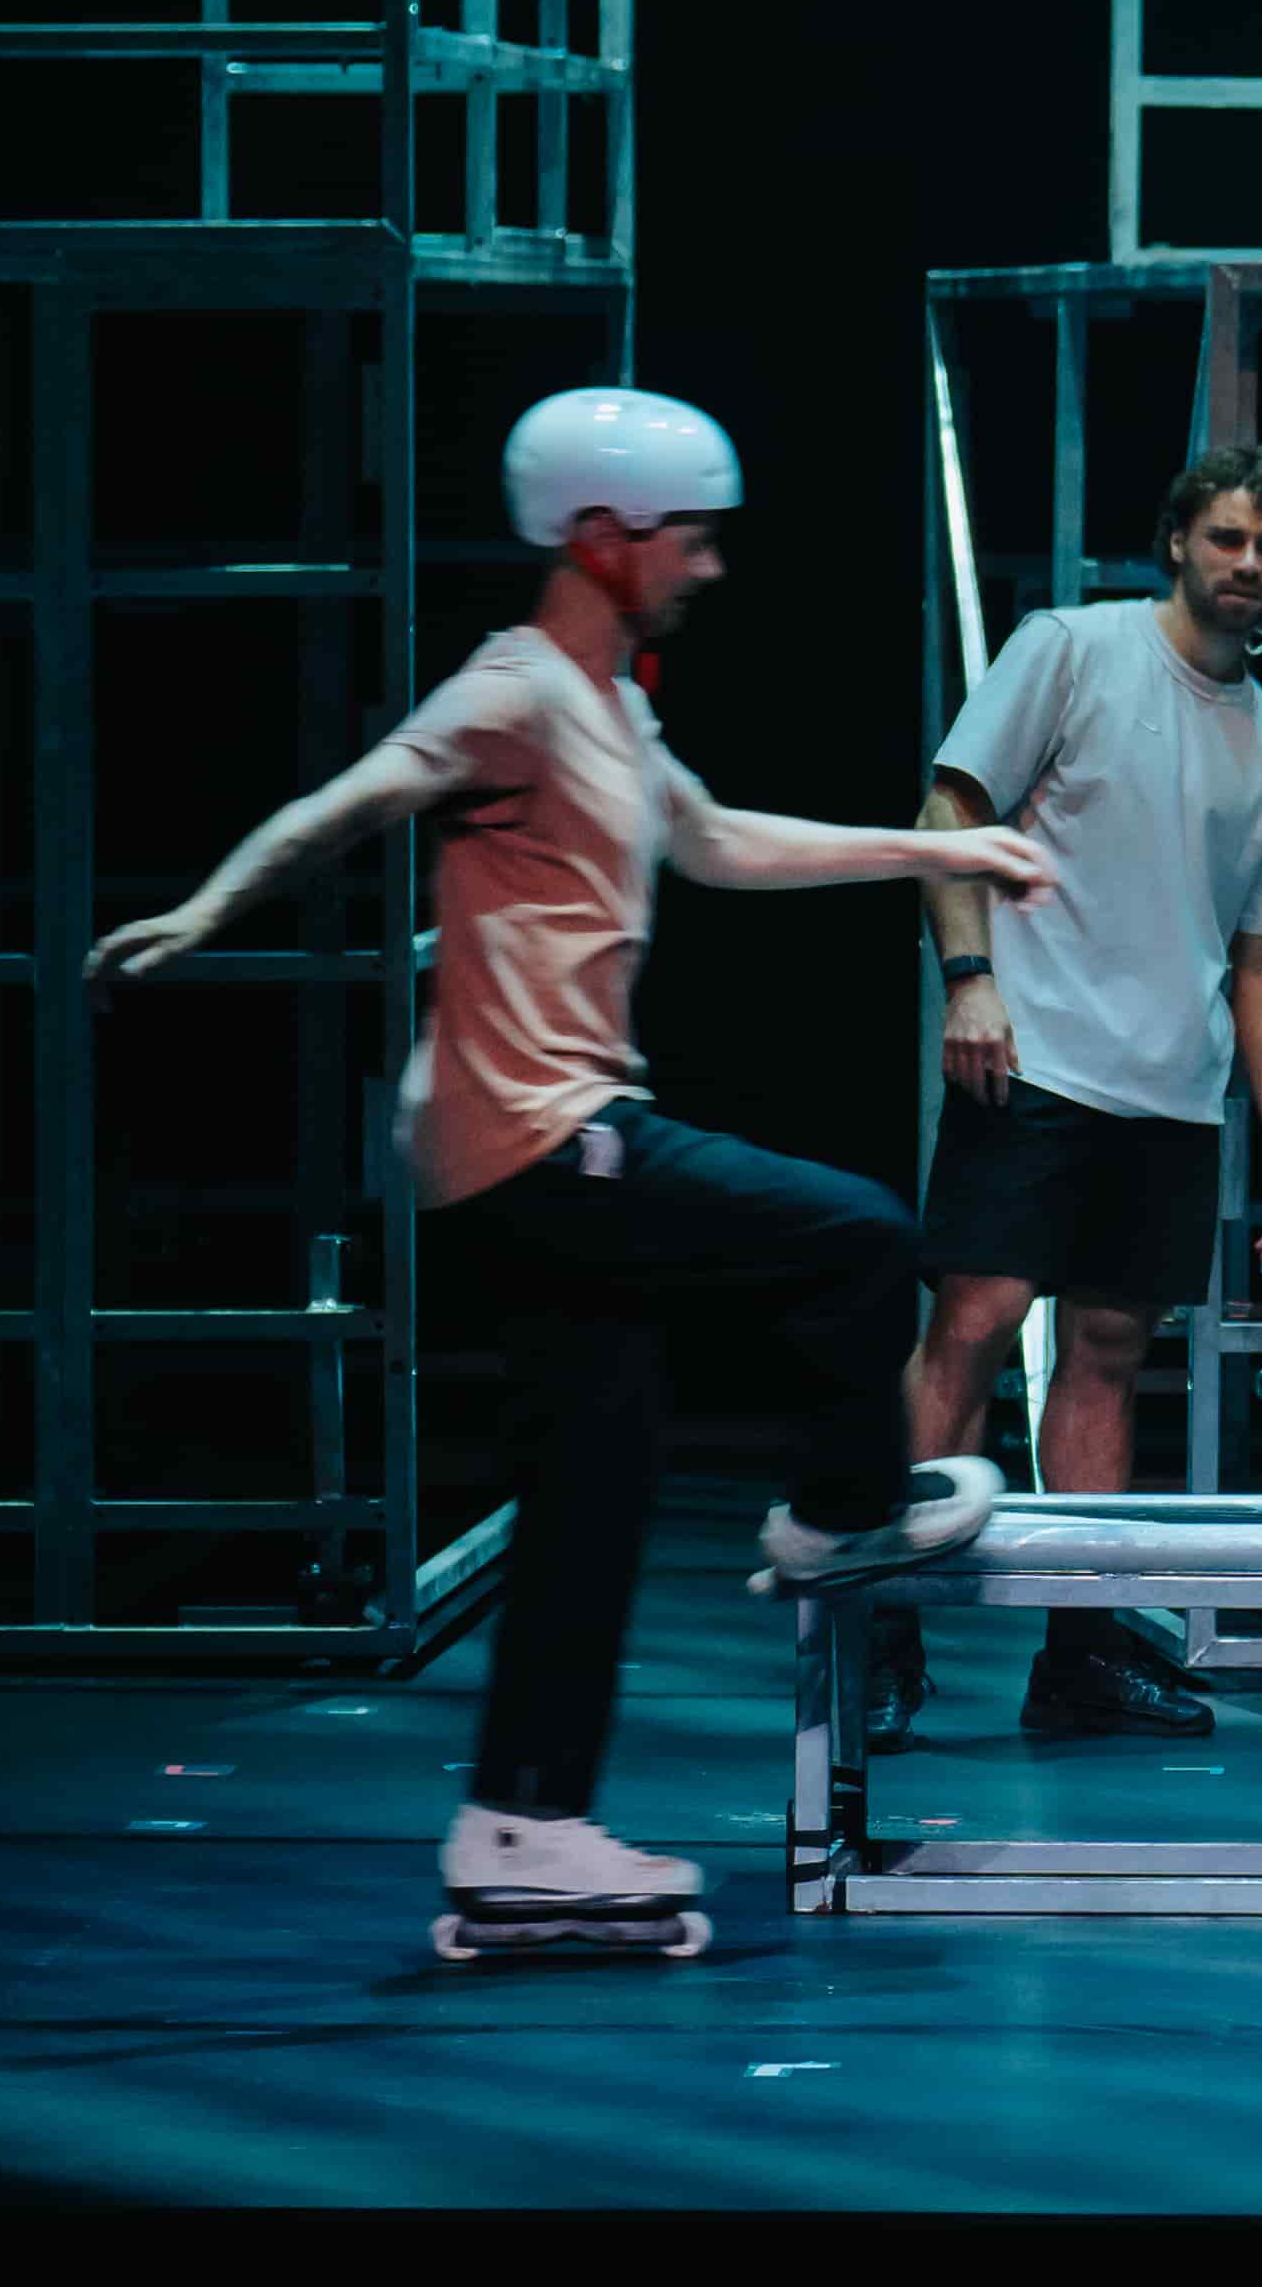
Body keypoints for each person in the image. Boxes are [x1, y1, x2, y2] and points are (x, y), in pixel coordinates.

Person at [88, 388, 1047, 1949]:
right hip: (540, 1140)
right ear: (602, 535)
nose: (709, 568)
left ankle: (521, 1827)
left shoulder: (612, 708)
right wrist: (207, 909)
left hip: (532, 1148)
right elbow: (355, 797)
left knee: (593, 1488)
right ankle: (842, 1510)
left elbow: (718, 844)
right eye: (691, 541)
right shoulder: (518, 689)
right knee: (862, 1234)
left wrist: (943, 850)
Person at [866, 445, 1262, 1749]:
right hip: (1034, 1055)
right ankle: (879, 1626)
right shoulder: (1071, 649)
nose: (1248, 564)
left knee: (1111, 1353)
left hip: (1169, 1090)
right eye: (1227, 537)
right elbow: (950, 808)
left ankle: (1079, 1650)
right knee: (974, 1321)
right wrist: (969, 978)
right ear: (1177, 539)